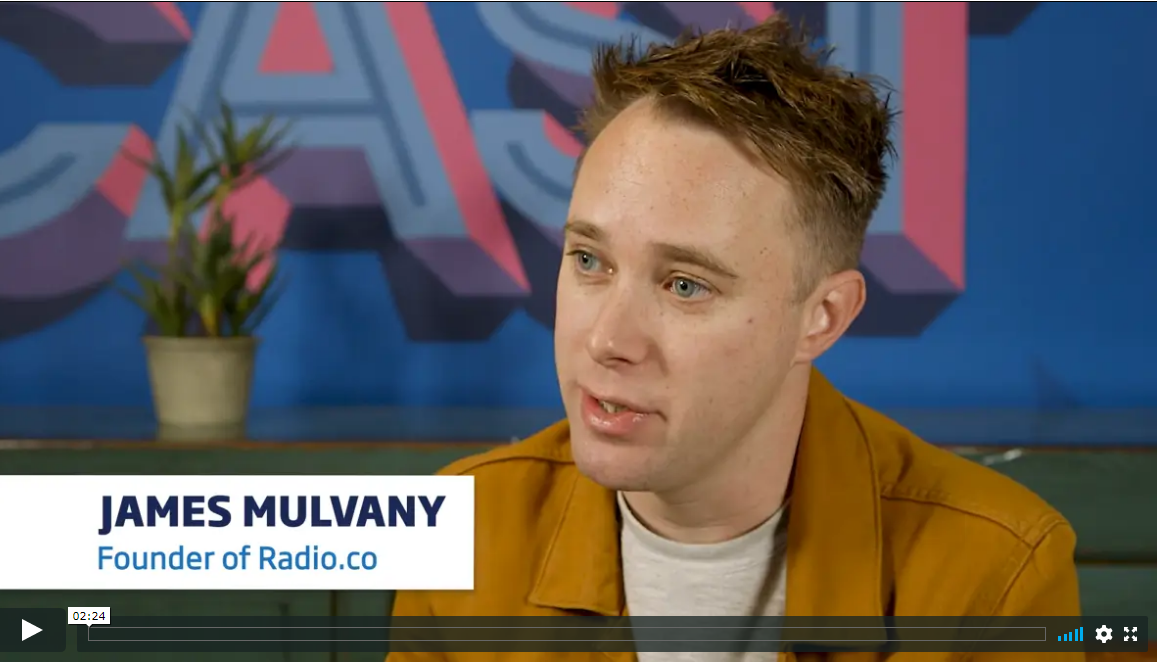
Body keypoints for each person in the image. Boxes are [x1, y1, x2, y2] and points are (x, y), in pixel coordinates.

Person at [388, 14, 1082, 662]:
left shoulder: (997, 570)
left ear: (824, 317)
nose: (608, 340)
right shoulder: (463, 533)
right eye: (590, 261)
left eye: (685, 284)